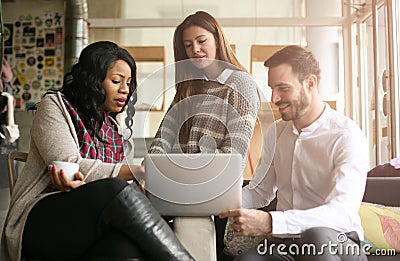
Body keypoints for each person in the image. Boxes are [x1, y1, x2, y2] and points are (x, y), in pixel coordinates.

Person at [0, 41, 193, 261]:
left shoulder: (114, 129)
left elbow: (112, 192)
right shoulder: (54, 106)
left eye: (128, 83)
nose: (125, 90)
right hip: (41, 224)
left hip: (89, 228)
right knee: (113, 188)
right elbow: (69, 164)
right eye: (116, 81)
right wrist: (136, 171)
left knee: (124, 248)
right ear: (92, 80)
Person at [219, 45, 369, 260]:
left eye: (282, 88)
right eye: (271, 88)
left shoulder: (346, 136)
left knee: (315, 238)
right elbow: (260, 191)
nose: (274, 98)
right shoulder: (277, 132)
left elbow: (342, 214)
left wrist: (270, 222)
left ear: (310, 83)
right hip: (286, 245)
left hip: (337, 243)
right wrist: (213, 198)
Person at [143, 11, 260, 260]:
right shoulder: (189, 86)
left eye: (201, 40)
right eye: (188, 45)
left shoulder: (241, 84)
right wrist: (152, 171)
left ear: (218, 39)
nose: (195, 49)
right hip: (179, 184)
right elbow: (162, 138)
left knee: (188, 221)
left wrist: (186, 172)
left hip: (214, 188)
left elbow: (234, 153)